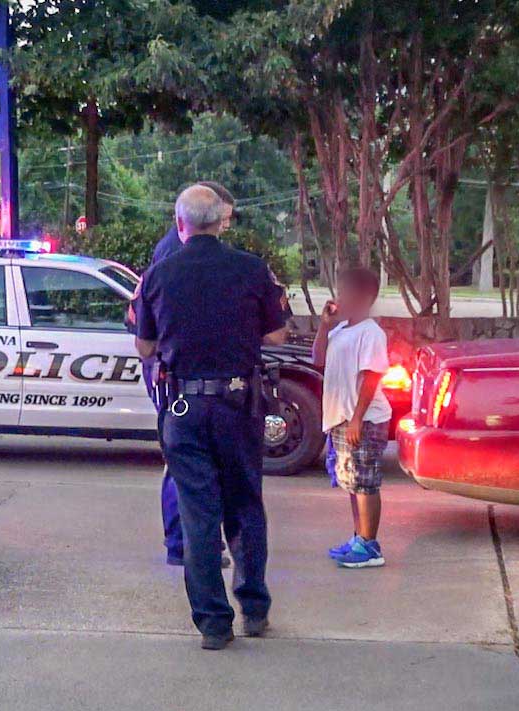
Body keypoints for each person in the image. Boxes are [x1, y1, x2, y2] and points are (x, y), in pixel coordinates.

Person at [133, 184, 289, 650]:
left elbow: (144, 346)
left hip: (183, 407)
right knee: (245, 506)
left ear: (180, 224)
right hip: (239, 405)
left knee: (198, 515)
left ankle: (213, 625)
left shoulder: (159, 275)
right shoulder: (251, 269)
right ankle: (255, 609)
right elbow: (278, 335)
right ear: (221, 220)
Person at [144, 180, 238, 568]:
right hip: (176, 375)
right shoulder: (176, 256)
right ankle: (183, 543)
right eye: (223, 218)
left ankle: (192, 540)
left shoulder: (173, 250)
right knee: (182, 464)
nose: (225, 227)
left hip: (173, 371)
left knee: (186, 462)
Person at [312, 267, 392, 568]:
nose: (340, 297)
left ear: (364, 297)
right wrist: (324, 326)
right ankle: (359, 538)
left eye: (346, 291)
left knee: (365, 482)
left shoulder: (371, 333)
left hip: (365, 418)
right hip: (341, 418)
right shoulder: (340, 330)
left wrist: (358, 418)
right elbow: (317, 358)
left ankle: (370, 546)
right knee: (351, 481)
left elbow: (372, 377)